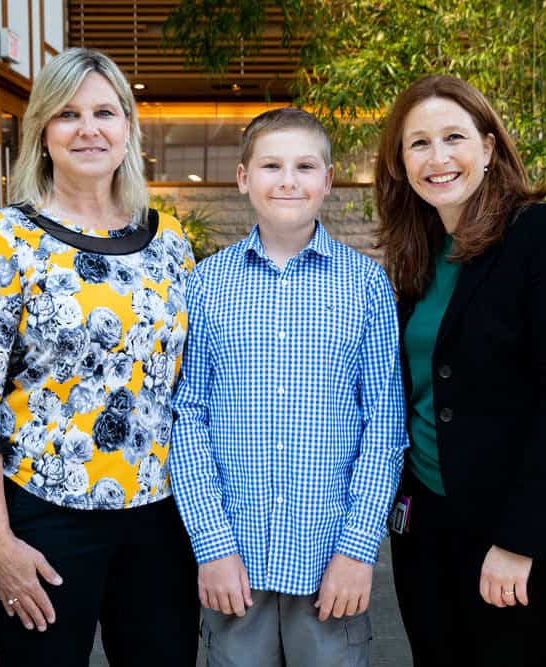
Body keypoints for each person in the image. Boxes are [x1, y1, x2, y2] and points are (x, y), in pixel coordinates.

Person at [0, 48, 198, 666]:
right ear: (42, 132)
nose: (88, 129)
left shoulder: (169, 242)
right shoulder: (8, 238)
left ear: (127, 129)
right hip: (43, 517)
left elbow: (190, 382)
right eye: (68, 114)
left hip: (160, 521)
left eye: (105, 112)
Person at [374, 74, 546, 666]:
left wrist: (518, 540)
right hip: (426, 522)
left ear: (488, 146)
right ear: (401, 164)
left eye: (453, 136)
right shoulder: (417, 253)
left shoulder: (543, 234)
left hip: (516, 526)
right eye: (418, 143)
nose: (438, 157)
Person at [169, 108, 408, 666]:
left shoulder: (366, 285)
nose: (288, 180)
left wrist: (357, 551)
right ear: (243, 177)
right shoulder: (206, 284)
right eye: (272, 165)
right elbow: (188, 417)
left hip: (329, 562)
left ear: (327, 180)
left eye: (305, 166)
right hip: (235, 562)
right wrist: (212, 545)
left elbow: (385, 426)